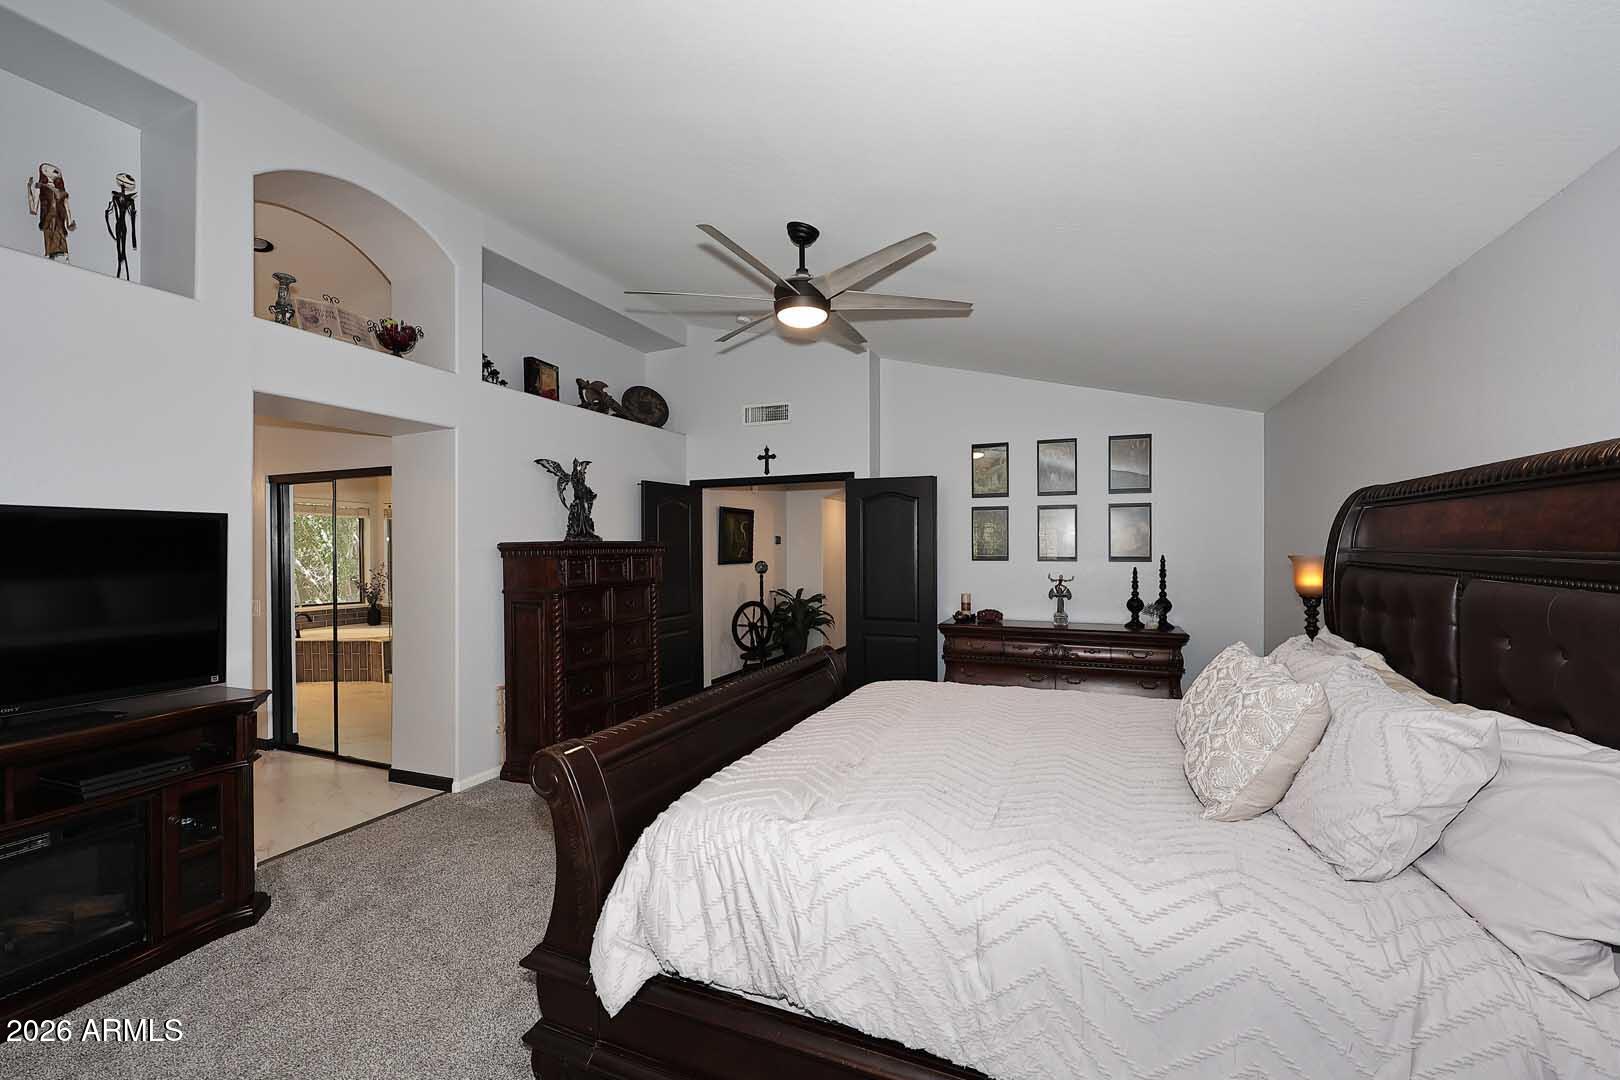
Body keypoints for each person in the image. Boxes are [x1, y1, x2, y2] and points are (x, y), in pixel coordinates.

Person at [26, 163, 75, 261]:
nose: (55, 170)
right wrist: (29, 188)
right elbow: (33, 208)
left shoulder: (61, 192)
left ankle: (65, 259)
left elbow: (66, 206)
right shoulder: (40, 187)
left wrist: (69, 222)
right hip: (48, 220)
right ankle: (50, 258)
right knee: (50, 243)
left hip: (59, 220)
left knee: (62, 244)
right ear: (44, 171)